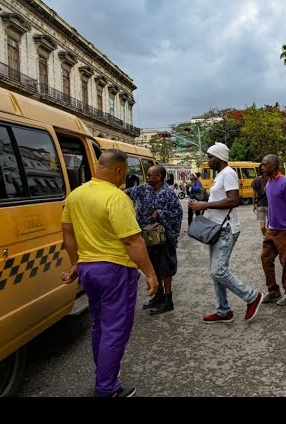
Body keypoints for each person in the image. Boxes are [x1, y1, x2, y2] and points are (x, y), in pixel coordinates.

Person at [60, 149, 159, 398]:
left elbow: (67, 232)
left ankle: (103, 377)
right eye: (124, 174)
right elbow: (132, 241)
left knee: (100, 326)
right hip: (114, 270)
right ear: (118, 171)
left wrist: (75, 263)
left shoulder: (76, 195)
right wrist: (149, 273)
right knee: (115, 329)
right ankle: (106, 388)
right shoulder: (116, 198)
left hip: (88, 269)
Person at [188, 142, 263, 323]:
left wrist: (204, 205)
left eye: (210, 156)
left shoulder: (228, 174)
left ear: (220, 157)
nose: (208, 160)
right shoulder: (220, 175)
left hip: (226, 229)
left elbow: (233, 200)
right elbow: (219, 198)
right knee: (216, 271)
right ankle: (223, 311)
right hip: (216, 228)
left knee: (218, 270)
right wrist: (200, 205)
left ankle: (252, 296)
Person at [125, 165, 183, 315]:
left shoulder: (168, 193)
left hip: (164, 238)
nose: (147, 178)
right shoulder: (144, 189)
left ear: (159, 177)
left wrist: (161, 213)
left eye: (150, 175)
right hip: (147, 237)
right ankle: (158, 297)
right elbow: (126, 193)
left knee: (166, 269)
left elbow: (177, 212)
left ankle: (168, 301)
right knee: (153, 267)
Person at [259, 154, 286, 306]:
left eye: (265, 165)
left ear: (274, 166)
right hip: (271, 230)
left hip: (285, 231)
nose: (262, 167)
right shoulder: (268, 182)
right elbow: (266, 203)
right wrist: (265, 221)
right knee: (265, 259)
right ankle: (273, 290)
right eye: (262, 164)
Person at [252, 165, 268, 236]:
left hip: (260, 204)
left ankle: (266, 237)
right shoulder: (269, 179)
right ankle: (269, 238)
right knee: (271, 224)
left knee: (262, 225)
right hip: (270, 205)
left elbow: (254, 194)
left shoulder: (255, 180)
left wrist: (254, 204)